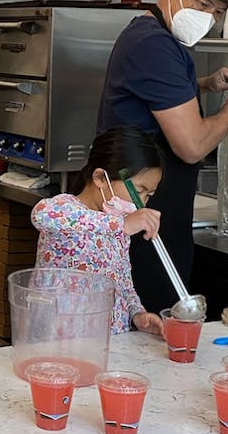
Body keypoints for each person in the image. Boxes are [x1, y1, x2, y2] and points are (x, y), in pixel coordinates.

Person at [96, 0, 228, 311]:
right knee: (147, 326)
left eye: (217, 11)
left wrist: (204, 84)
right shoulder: (156, 45)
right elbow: (191, 146)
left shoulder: (152, 35)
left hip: (148, 214)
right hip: (145, 220)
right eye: (201, 2)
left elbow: (152, 98)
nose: (206, 17)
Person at [31, 127, 165, 337]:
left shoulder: (119, 224)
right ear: (101, 178)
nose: (142, 201)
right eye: (139, 190)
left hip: (108, 340)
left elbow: (123, 282)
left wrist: (137, 313)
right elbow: (41, 214)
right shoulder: (66, 208)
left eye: (150, 194)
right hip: (60, 341)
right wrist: (121, 225)